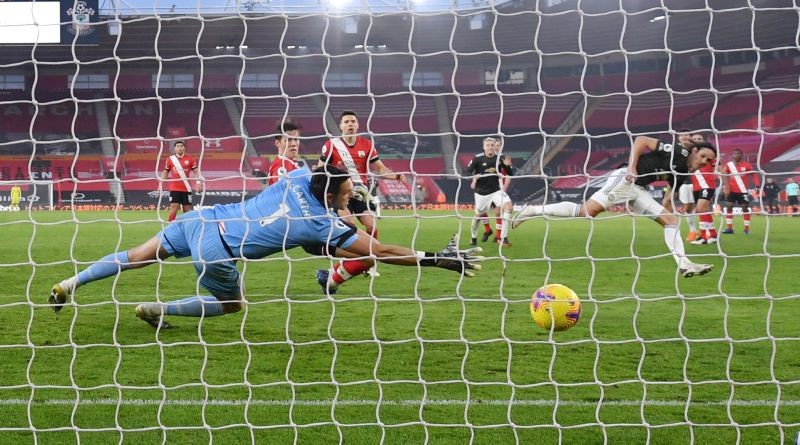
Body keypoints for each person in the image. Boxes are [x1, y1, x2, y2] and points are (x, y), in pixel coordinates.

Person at [49, 165, 483, 329]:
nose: (352, 195)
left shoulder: (296, 177)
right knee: (234, 305)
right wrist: (434, 259)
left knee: (137, 256)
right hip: (217, 249)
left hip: (202, 219)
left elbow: (316, 173)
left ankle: (72, 281)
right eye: (348, 191)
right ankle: (156, 309)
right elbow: (381, 251)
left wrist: (342, 198)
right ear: (331, 193)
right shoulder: (319, 223)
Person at [512, 136, 717, 278]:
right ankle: (532, 210)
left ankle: (684, 264)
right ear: (695, 151)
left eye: (709, 160)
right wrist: (631, 166)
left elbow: (667, 199)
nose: (705, 161)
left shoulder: (684, 173)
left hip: (639, 191)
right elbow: (641, 141)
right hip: (625, 180)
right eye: (703, 156)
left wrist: (668, 208)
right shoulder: (677, 151)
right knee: (586, 212)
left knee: (671, 221)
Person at [317, 110, 407, 277]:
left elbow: (379, 168)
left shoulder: (367, 145)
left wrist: (396, 176)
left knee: (372, 226)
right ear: (341, 126)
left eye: (353, 121)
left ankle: (370, 264)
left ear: (358, 125)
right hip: (341, 194)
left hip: (359, 193)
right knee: (348, 225)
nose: (350, 124)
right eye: (346, 122)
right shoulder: (331, 145)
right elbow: (319, 169)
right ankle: (349, 262)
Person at [466, 137, 514, 247]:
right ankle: (473, 237)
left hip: (496, 191)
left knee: (508, 207)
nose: (490, 147)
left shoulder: (500, 158)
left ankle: (503, 238)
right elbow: (467, 172)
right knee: (478, 216)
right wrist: (474, 177)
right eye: (488, 145)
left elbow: (510, 173)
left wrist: (507, 166)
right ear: (484, 147)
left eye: (492, 145)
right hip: (481, 193)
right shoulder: (477, 159)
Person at [688, 133, 719, 245]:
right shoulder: (691, 155)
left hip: (707, 186)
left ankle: (702, 237)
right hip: (696, 188)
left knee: (700, 209)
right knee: (704, 211)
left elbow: (720, 169)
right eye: (695, 139)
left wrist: (725, 185)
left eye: (699, 138)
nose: (697, 140)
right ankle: (713, 235)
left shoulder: (710, 156)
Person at [160, 141, 201, 222]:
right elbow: (165, 172)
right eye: (178, 146)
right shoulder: (170, 159)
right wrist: (161, 183)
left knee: (187, 211)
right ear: (175, 148)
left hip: (186, 188)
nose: (180, 148)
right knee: (174, 208)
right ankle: (171, 228)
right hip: (174, 188)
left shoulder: (190, 159)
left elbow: (196, 171)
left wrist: (198, 183)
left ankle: (187, 229)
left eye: (181, 146)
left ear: (184, 148)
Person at [721, 148, 759, 234]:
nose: (736, 155)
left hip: (743, 190)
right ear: (732, 155)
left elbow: (753, 175)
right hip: (731, 190)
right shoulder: (728, 165)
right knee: (729, 206)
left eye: (738, 153)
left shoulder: (747, 165)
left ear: (741, 155)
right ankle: (730, 228)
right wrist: (725, 187)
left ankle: (746, 229)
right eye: (735, 153)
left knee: (745, 208)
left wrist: (757, 185)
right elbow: (724, 176)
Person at [675, 131, 699, 242]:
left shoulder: (697, 148)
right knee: (688, 208)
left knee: (703, 206)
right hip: (684, 182)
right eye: (681, 135)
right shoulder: (674, 149)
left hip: (699, 180)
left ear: (690, 137)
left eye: (686, 135)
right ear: (678, 138)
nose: (684, 137)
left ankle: (707, 231)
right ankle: (693, 230)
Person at [267, 118, 304, 186]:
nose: (293, 144)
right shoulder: (281, 166)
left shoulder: (288, 163)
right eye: (288, 140)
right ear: (277, 143)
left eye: (296, 139)